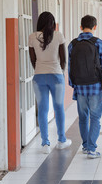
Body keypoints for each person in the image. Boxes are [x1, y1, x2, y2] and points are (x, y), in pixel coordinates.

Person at [68, 15, 102, 159]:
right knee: (95, 118)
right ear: (95, 27)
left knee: (82, 117)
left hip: (80, 86)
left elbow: (70, 67)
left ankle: (86, 146)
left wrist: (73, 84)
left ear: (81, 27)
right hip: (95, 85)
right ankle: (92, 149)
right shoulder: (98, 43)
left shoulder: (72, 44)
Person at [29, 11, 71, 154]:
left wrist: (40, 69)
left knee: (43, 109)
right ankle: (61, 140)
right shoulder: (58, 36)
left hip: (39, 76)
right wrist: (61, 72)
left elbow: (32, 60)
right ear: (53, 23)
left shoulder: (32, 37)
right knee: (58, 108)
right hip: (56, 75)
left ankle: (45, 143)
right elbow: (63, 58)